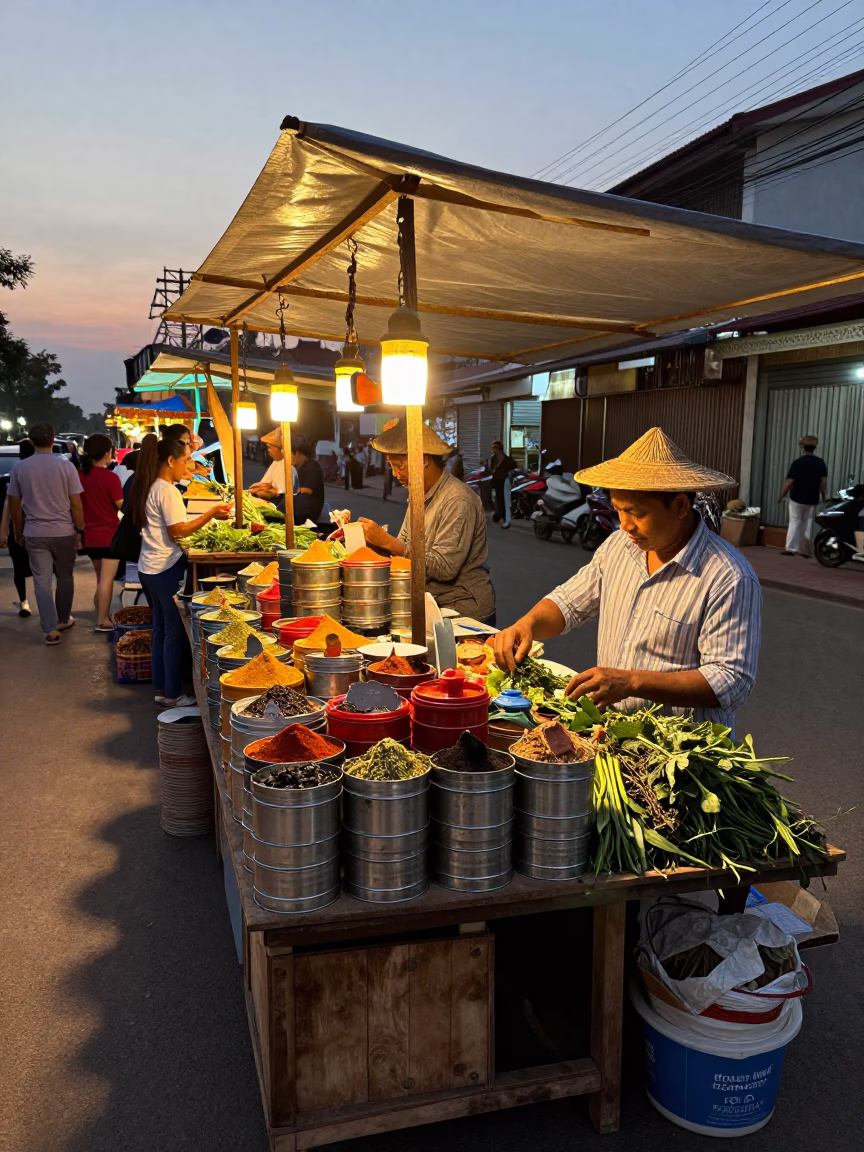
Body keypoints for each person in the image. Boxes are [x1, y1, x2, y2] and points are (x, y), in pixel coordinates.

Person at [494, 428, 761, 730]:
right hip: (611, 731)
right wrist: (526, 625)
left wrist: (633, 682)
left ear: (680, 507)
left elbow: (730, 681)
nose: (625, 525)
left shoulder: (728, 576)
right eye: (619, 510)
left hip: (681, 749)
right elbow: (569, 603)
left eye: (637, 513)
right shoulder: (618, 546)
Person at [358, 420, 495, 622]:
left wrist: (388, 542)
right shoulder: (419, 493)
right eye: (391, 467)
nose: (396, 475)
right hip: (431, 604)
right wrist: (372, 542)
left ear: (423, 460)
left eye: (399, 466)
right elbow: (405, 546)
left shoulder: (457, 499)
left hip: (462, 610)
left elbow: (445, 567)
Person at [128, 436, 231, 706]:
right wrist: (210, 514)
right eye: (185, 460)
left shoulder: (152, 485)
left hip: (148, 567)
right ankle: (172, 694)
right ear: (171, 460)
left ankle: (162, 689)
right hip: (165, 568)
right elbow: (177, 531)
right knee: (173, 631)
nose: (188, 465)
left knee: (161, 628)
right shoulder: (168, 491)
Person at [6, 423, 85, 644]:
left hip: (34, 532)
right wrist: (80, 529)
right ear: (53, 439)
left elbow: (14, 504)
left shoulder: (20, 468)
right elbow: (76, 502)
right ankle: (63, 619)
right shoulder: (66, 466)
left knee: (42, 580)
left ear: (31, 442)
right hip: (64, 531)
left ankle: (50, 629)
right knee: (65, 576)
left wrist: (18, 531)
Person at [80, 433, 124, 631]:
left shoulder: (80, 475)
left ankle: (101, 611)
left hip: (90, 536)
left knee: (100, 578)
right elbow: (121, 505)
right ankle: (103, 620)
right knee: (107, 580)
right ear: (108, 453)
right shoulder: (110, 477)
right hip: (109, 536)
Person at [0, 438, 35, 617]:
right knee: (41, 568)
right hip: (39, 525)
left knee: (18, 568)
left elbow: (9, 503)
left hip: (18, 526)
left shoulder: (17, 470)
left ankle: (24, 602)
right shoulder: (40, 469)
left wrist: (4, 531)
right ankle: (46, 604)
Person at [779, 435, 828, 558]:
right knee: (808, 522)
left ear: (802, 448)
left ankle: (790, 548)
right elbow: (822, 484)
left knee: (795, 521)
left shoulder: (797, 463)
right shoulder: (820, 463)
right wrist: (824, 497)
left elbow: (789, 482)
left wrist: (782, 495)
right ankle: (804, 550)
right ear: (814, 448)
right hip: (812, 499)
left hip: (797, 498)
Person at [249, 427, 298, 502]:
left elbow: (281, 493)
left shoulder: (289, 466)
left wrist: (271, 491)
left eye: (270, 447)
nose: (268, 450)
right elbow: (264, 484)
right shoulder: (275, 462)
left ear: (281, 449)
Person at [291, 432, 325, 524]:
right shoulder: (301, 467)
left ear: (296, 453)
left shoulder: (311, 467)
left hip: (308, 516)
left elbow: (307, 490)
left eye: (289, 453)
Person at [487, 440, 517, 529]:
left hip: (505, 481)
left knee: (506, 501)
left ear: (498, 449)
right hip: (497, 482)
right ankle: (500, 517)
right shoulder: (493, 458)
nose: (493, 451)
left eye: (494, 448)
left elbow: (514, 467)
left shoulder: (507, 460)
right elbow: (490, 469)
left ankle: (506, 520)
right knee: (499, 500)